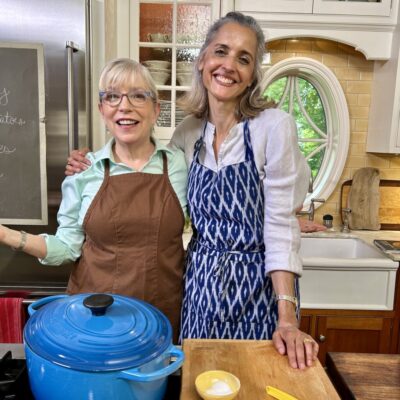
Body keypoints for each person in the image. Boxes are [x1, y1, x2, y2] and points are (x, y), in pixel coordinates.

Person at [66, 12, 319, 369]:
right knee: (198, 380)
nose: (229, 65)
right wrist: (89, 164)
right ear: (202, 61)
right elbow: (143, 160)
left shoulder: (274, 127)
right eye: (221, 51)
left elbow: (279, 227)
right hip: (199, 286)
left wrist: (287, 319)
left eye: (243, 58)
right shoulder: (188, 133)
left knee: (256, 379)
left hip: (257, 289)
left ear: (251, 77)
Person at [0, 58, 188, 342]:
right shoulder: (84, 171)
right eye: (112, 96)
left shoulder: (179, 165)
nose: (124, 106)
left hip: (162, 314)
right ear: (102, 110)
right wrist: (6, 234)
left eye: (138, 95)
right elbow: (66, 248)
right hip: (96, 319)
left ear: (155, 109)